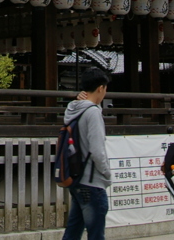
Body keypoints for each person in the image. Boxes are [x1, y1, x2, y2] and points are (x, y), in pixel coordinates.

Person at [61, 67, 111, 240]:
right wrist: (106, 173)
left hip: (76, 178)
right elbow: (97, 151)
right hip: (92, 181)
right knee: (96, 234)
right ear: (100, 88)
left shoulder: (73, 109)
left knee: (73, 231)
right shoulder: (93, 113)